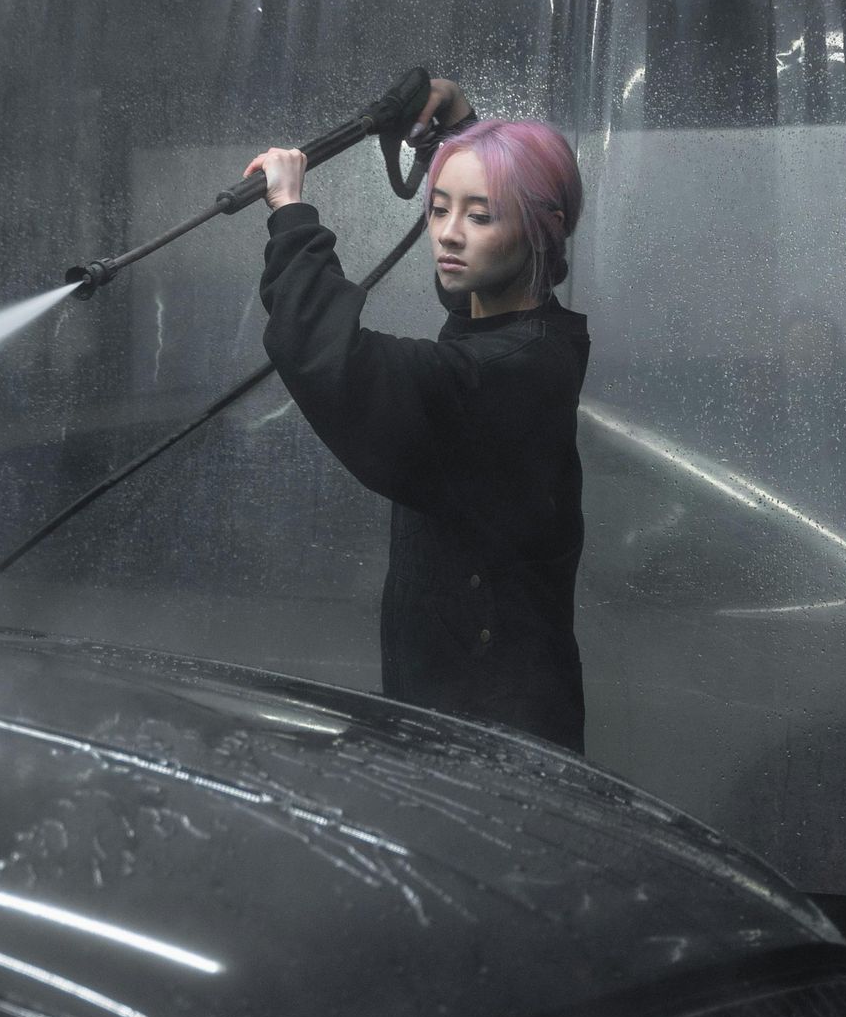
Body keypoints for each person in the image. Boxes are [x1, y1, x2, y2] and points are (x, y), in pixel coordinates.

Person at [246, 79, 590, 752]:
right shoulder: (521, 323)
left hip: (492, 736)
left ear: (543, 229)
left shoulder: (507, 370)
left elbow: (330, 355)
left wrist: (291, 211)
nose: (449, 235)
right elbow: (497, 242)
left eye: (480, 217)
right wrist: (456, 127)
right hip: (461, 704)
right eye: (438, 208)